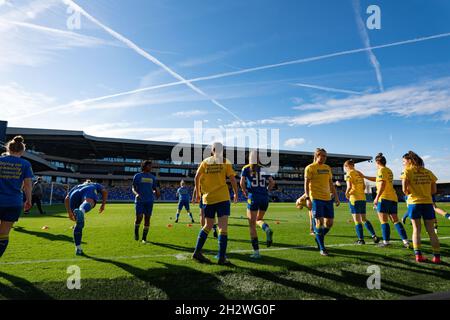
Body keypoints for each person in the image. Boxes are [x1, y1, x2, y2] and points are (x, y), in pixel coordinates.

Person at [192, 142, 238, 265]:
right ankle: (221, 258)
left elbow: (196, 177)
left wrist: (198, 194)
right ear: (221, 150)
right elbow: (232, 178)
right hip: (222, 198)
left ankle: (197, 252)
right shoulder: (225, 161)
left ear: (212, 151)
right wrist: (236, 193)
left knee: (207, 225)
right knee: (222, 227)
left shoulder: (205, 161)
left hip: (208, 199)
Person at [401, 151, 440, 263]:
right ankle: (437, 257)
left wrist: (411, 192)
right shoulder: (428, 172)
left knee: (416, 230)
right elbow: (434, 191)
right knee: (431, 231)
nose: (403, 164)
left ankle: (418, 256)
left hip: (414, 203)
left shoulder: (407, 171)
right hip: (428, 203)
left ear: (410, 161)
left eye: (404, 162)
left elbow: (404, 190)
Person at [363, 153, 409, 248]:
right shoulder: (388, 170)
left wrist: (376, 198)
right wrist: (364, 176)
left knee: (384, 221)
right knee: (395, 220)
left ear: (377, 162)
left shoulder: (381, 170)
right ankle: (405, 241)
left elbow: (382, 184)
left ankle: (386, 242)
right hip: (393, 198)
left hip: (384, 198)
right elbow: (377, 180)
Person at [0, 136, 33, 258]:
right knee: (3, 234)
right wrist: (29, 200)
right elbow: (28, 185)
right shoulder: (25, 164)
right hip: (13, 203)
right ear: (22, 151)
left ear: (8, 148)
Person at [304, 148, 340, 256]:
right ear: (316, 155)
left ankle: (318, 238)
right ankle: (322, 248)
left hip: (328, 199)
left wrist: (336, 197)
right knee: (319, 223)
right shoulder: (310, 168)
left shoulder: (327, 168)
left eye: (325, 156)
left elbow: (331, 184)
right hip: (316, 198)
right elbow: (306, 184)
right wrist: (307, 198)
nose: (324, 158)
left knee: (329, 223)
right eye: (322, 155)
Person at [240, 150, 276, 258]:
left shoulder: (246, 168)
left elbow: (241, 182)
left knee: (252, 225)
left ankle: (256, 253)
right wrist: (267, 190)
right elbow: (272, 182)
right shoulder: (264, 168)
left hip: (253, 197)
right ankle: (266, 228)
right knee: (258, 220)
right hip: (264, 198)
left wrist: (244, 191)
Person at [65, 180, 108, 255]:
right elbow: (104, 191)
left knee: (78, 223)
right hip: (88, 189)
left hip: (73, 194)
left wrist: (69, 213)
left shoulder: (76, 186)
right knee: (88, 201)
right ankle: (82, 210)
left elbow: (66, 198)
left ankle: (78, 248)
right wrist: (103, 205)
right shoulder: (93, 184)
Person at [343, 160, 380, 245]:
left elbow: (349, 186)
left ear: (347, 166)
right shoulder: (359, 173)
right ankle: (374, 235)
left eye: (345, 167)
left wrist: (346, 193)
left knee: (357, 220)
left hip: (354, 199)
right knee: (364, 219)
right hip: (362, 198)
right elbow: (363, 186)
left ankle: (361, 239)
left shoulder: (349, 173)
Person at [132, 160, 160, 243]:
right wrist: (136, 194)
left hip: (149, 201)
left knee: (147, 219)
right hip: (140, 200)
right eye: (149, 166)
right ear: (144, 166)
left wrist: (157, 192)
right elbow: (133, 188)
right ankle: (136, 232)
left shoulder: (153, 177)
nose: (151, 167)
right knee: (139, 218)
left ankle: (144, 238)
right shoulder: (137, 176)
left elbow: (155, 189)